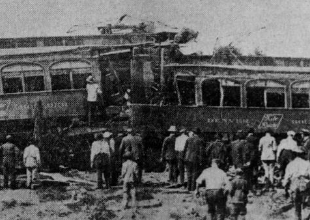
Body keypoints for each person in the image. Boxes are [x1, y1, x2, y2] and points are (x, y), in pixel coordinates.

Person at [282, 155, 310, 220]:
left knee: (297, 202)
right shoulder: (307, 163)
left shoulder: (290, 164)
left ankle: (298, 217)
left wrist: (284, 185)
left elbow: (286, 178)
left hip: (295, 183)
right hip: (305, 183)